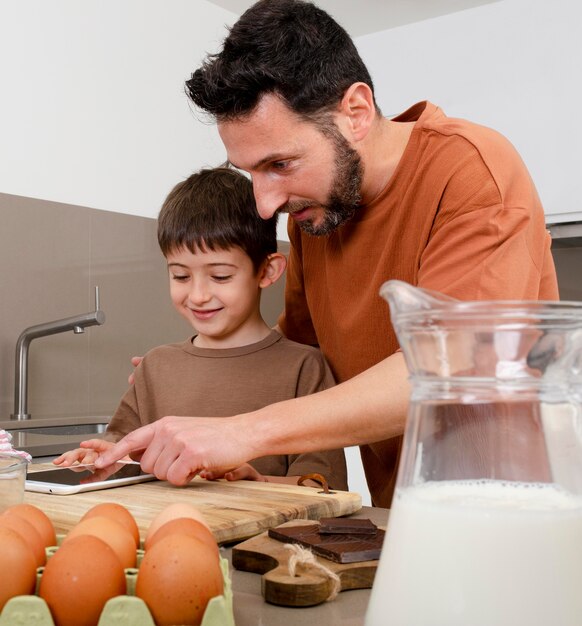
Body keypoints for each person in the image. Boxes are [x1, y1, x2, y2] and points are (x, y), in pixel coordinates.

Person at [95, 0, 558, 507]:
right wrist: (202, 369)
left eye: (280, 163)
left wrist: (243, 433)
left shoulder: (470, 172)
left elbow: (453, 370)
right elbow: (291, 354)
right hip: (402, 511)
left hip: (508, 504)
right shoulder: (316, 213)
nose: (265, 202)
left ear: (356, 112)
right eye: (250, 171)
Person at [55, 166, 348, 490]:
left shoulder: (304, 369)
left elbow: (324, 488)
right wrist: (99, 460)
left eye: (220, 276)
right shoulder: (155, 367)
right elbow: (123, 453)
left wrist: (260, 481)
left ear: (267, 271)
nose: (198, 295)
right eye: (180, 276)